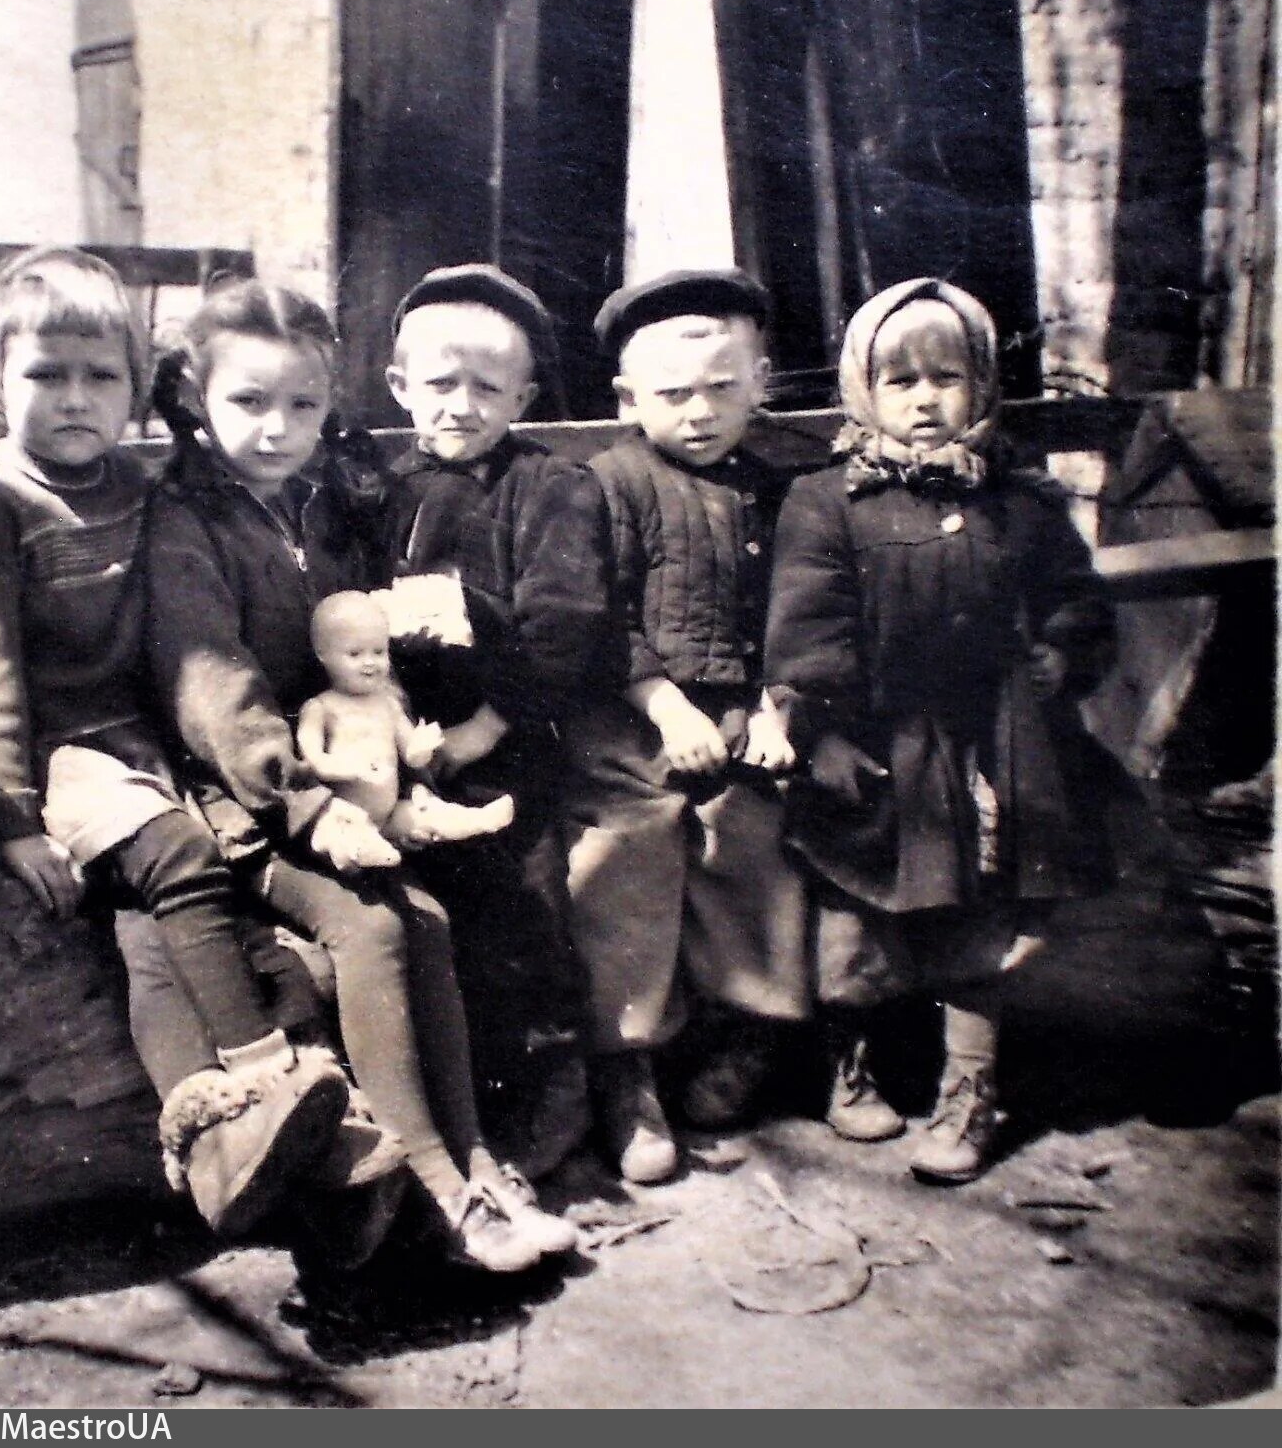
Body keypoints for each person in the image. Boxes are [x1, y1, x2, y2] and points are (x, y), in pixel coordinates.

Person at [143, 275, 578, 1271]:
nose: (278, 428)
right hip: (251, 795)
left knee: (426, 918)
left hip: (344, 774)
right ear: (198, 401)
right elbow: (212, 685)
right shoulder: (186, 524)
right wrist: (301, 800)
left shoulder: (320, 503)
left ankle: (474, 1160)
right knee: (373, 925)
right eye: (249, 401)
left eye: (303, 404)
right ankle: (436, 1186)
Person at [0, 246, 355, 1241]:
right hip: (58, 748)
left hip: (142, 738)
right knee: (180, 857)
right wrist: (9, 817)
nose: (76, 399)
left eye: (102, 375)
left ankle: (224, 1148)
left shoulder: (136, 485)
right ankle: (261, 1075)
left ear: (136, 389)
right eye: (45, 374)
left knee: (157, 924)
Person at [765, 277, 1117, 1183]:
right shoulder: (827, 500)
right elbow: (808, 629)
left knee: (978, 923)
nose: (925, 400)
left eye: (947, 377)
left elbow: (1076, 597)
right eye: (901, 381)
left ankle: (970, 1089)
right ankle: (849, 1063)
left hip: (989, 746)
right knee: (855, 916)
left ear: (983, 385)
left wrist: (1061, 652)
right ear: (863, 390)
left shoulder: (1022, 501)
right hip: (873, 745)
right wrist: (823, 734)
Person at [562, 270, 807, 1184]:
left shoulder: (778, 489)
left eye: (721, 388)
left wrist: (779, 707)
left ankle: (748, 1029)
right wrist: (664, 704)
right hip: (631, 711)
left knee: (756, 824)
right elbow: (599, 616)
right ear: (628, 397)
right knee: (629, 839)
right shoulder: (609, 485)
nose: (700, 413)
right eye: (672, 394)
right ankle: (626, 1063)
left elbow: (799, 611)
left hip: (744, 707)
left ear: (760, 383)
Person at [380, 264, 612, 1177]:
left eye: (488, 387)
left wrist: (486, 725)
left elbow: (565, 623)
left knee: (520, 898)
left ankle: (554, 1079)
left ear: (523, 396)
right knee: (424, 913)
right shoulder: (382, 490)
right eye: (441, 383)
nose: (463, 405)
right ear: (400, 385)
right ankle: (444, 1095)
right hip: (401, 737)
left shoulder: (548, 487)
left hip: (511, 733)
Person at [297, 590, 516, 861]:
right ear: (323, 654)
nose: (370, 662)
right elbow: (314, 761)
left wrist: (421, 747)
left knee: (430, 814)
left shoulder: (387, 704)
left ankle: (479, 819)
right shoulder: (320, 707)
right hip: (343, 810)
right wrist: (348, 768)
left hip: (390, 813)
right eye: (355, 654)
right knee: (345, 832)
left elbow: (411, 755)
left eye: (379, 651)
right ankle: (366, 850)